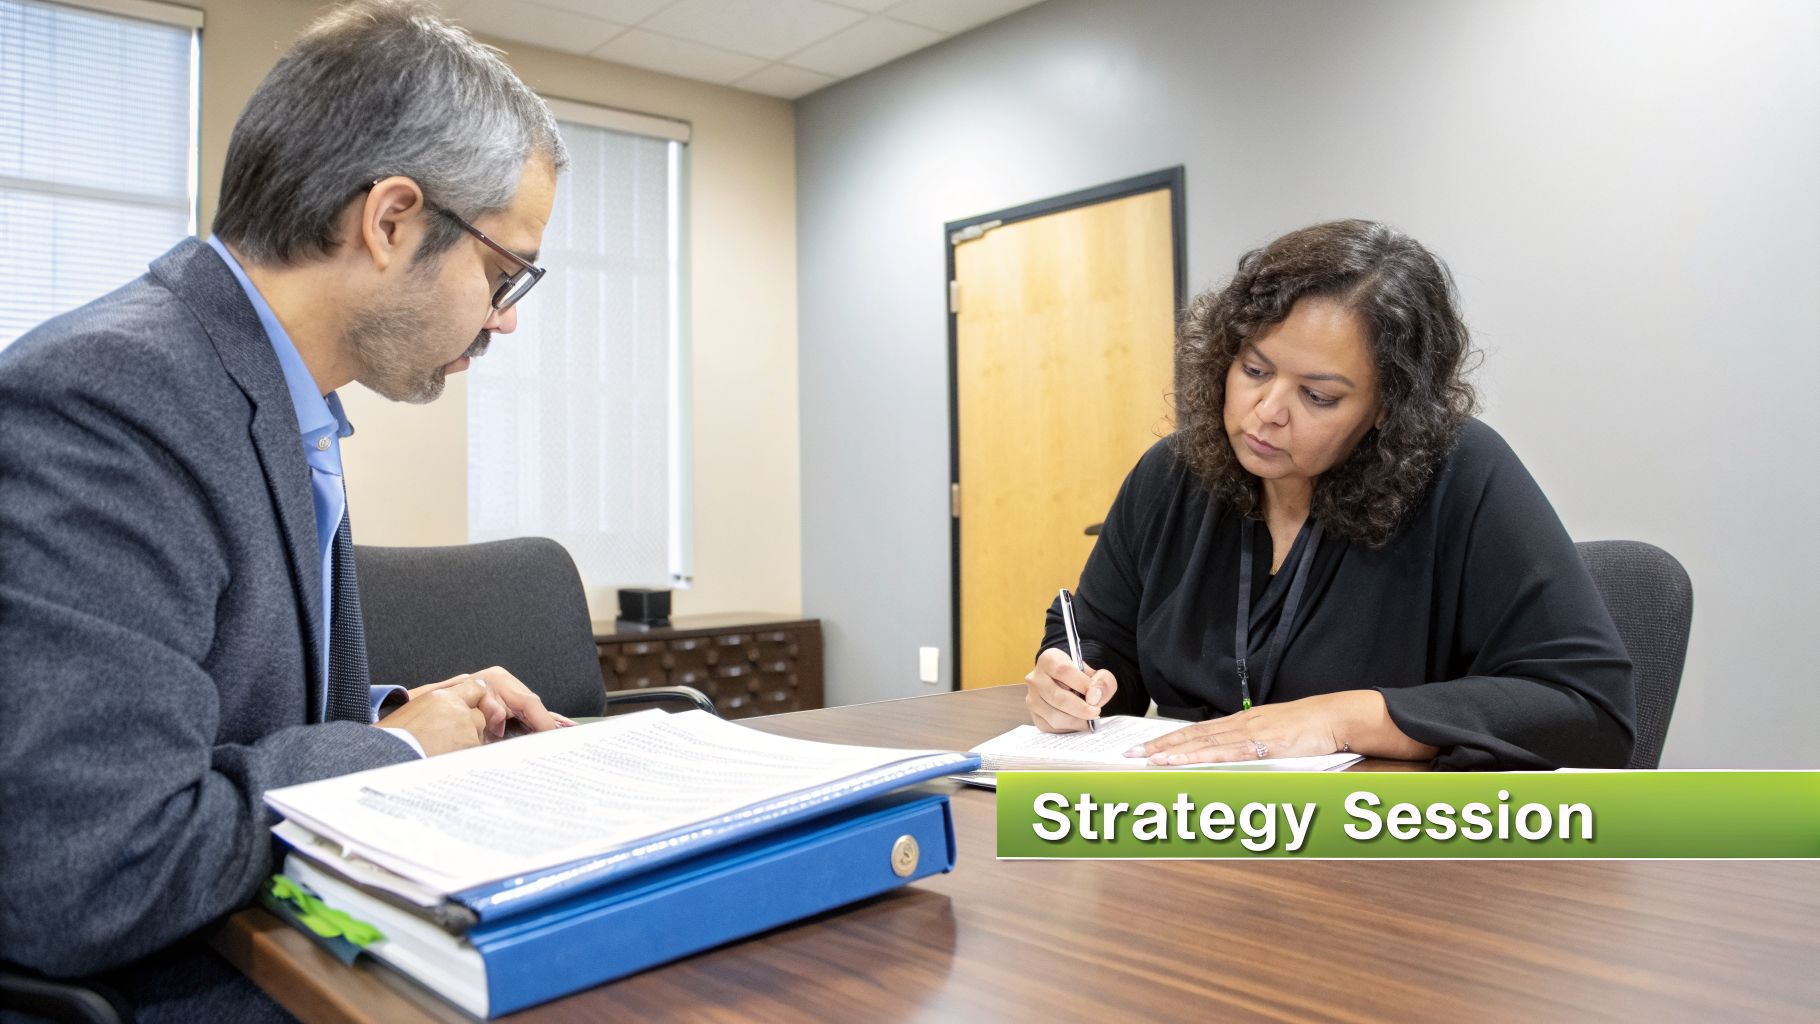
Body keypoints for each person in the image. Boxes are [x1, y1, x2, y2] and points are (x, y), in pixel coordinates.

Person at [0, 2, 572, 1018]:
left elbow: (214, 708)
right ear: (391, 220)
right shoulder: (112, 398)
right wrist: (393, 754)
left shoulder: (272, 394)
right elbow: (89, 864)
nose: (507, 316)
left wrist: (394, 714)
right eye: (503, 268)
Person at [1023, 220, 1635, 771]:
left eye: (1317, 397)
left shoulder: (1462, 473)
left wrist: (1342, 721)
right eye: (1255, 371)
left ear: (1386, 409)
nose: (1266, 413)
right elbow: (1100, 640)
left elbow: (1587, 711)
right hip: (1199, 834)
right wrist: (1075, 684)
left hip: (1395, 848)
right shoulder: (1172, 474)